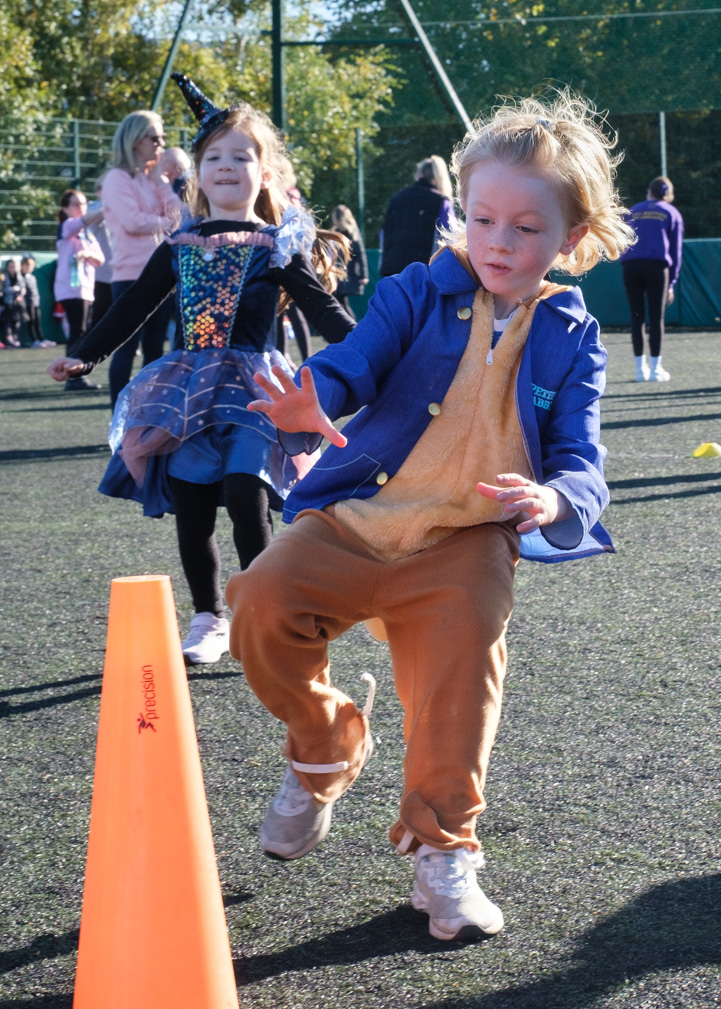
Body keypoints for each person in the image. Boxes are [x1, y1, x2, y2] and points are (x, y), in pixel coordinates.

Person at [225, 89, 635, 943]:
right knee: (260, 606)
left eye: (526, 227)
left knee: (462, 674)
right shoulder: (418, 289)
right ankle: (324, 743)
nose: (498, 241)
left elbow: (581, 460)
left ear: (572, 237)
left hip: (464, 539)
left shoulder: (572, 335)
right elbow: (357, 358)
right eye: (482, 219)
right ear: (461, 215)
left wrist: (555, 499)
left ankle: (442, 847)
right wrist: (317, 395)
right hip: (359, 517)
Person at [47, 73, 355, 666]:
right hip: (189, 391)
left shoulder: (275, 246)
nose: (226, 165)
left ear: (264, 174)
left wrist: (375, 347)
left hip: (259, 391)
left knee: (246, 489)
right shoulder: (181, 244)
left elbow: (322, 308)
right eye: (214, 155)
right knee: (191, 502)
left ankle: (263, 609)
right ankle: (210, 616)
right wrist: (85, 353)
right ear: (195, 171)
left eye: (242, 156)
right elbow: (134, 306)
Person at [101, 110, 182, 409]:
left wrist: (160, 182)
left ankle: (148, 417)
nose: (161, 143)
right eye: (155, 137)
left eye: (162, 137)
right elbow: (133, 222)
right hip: (129, 276)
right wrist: (164, 222)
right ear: (136, 141)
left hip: (159, 276)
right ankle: (118, 422)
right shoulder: (116, 179)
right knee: (125, 350)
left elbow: (178, 214)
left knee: (154, 351)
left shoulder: (151, 181)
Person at [620, 176, 683, 382]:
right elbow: (676, 252)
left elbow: (622, 238)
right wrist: (671, 284)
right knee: (656, 318)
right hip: (657, 267)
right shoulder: (671, 213)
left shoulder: (634, 210)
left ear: (650, 192)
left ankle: (640, 371)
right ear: (668, 194)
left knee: (636, 318)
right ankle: (656, 369)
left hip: (631, 266)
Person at [52, 190, 105, 390]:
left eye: (83, 204)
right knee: (78, 332)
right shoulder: (67, 226)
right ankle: (74, 377)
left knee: (81, 331)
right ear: (65, 209)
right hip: (71, 288)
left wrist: (86, 253)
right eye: (75, 204)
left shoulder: (87, 233)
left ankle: (75, 375)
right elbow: (82, 220)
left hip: (85, 289)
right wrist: (104, 204)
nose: (81, 208)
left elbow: (100, 260)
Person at [379, 154, 455, 277]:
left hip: (393, 271)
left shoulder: (397, 198)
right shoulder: (441, 201)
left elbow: (384, 233)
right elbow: (450, 238)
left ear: (419, 175)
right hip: (426, 273)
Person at [331, 204, 368, 320]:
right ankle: (348, 329)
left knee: (341, 304)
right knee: (340, 303)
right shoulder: (336, 233)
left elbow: (360, 254)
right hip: (338, 273)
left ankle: (352, 328)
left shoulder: (352, 233)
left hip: (348, 273)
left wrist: (363, 275)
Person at [21, 256, 55, 348]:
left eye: (31, 265)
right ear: (22, 266)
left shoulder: (32, 277)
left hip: (35, 303)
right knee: (31, 322)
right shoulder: (21, 277)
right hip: (27, 304)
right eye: (26, 265)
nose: (29, 267)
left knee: (37, 322)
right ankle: (34, 341)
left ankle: (41, 339)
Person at [3, 258, 27, 347]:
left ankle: (15, 338)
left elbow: (23, 288)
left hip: (18, 304)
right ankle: (9, 339)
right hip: (8, 303)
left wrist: (20, 295)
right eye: (11, 266)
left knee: (17, 320)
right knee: (8, 321)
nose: (13, 268)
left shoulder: (19, 276)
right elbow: (4, 289)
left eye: (14, 266)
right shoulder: (4, 276)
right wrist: (14, 289)